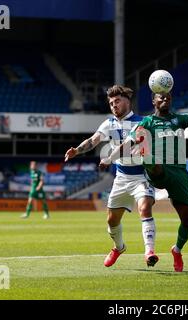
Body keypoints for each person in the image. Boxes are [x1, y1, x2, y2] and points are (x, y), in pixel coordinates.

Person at [100, 91, 188, 272]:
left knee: (187, 221)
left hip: (179, 174)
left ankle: (177, 250)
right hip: (158, 170)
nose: (165, 99)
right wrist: (110, 159)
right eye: (161, 97)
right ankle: (145, 154)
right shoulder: (147, 122)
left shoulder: (180, 120)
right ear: (154, 101)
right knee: (152, 162)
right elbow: (126, 144)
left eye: (169, 97)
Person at [64, 85, 158, 267]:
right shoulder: (109, 124)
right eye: (111, 103)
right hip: (121, 178)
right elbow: (93, 140)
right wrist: (77, 150)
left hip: (141, 176)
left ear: (127, 102)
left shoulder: (142, 121)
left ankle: (149, 252)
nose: (114, 105)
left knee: (145, 208)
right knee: (111, 220)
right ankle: (119, 247)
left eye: (117, 101)